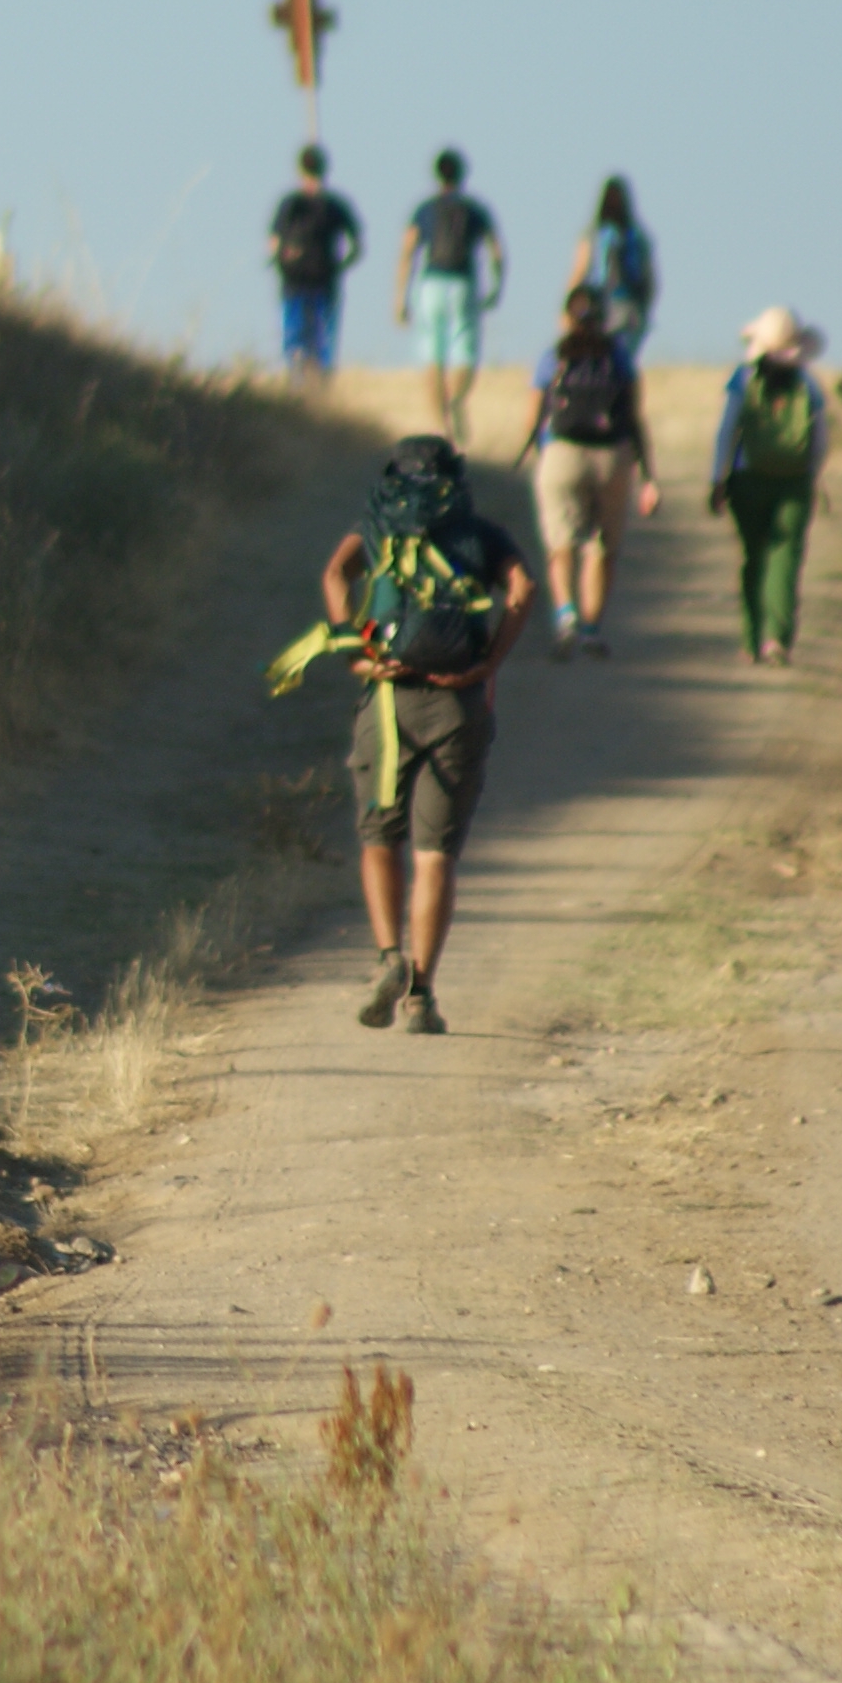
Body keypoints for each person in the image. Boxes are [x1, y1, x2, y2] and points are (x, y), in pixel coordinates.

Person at [320, 435, 540, 1038]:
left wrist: (354, 650)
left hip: (386, 701)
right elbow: (523, 590)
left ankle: (388, 955)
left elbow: (337, 572)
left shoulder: (376, 526)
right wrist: (488, 662)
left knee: (378, 837)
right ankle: (420, 995)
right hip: (457, 703)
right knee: (435, 853)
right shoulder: (482, 535)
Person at [522, 288, 660, 659]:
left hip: (562, 453)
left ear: (567, 317)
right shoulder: (619, 358)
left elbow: (535, 414)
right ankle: (591, 628)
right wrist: (647, 474)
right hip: (611, 457)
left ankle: (565, 614)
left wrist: (537, 452)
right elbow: (633, 416)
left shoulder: (555, 356)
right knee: (602, 546)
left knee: (560, 543)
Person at [707, 306, 828, 665]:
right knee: (786, 560)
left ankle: (751, 638)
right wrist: (813, 476)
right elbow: (820, 439)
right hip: (793, 483)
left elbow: (727, 430)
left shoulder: (743, 380)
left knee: (753, 558)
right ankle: (778, 639)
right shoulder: (807, 383)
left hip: (748, 479)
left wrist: (717, 478)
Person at [392, 148, 503, 442]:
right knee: (464, 348)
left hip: (431, 283)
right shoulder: (476, 210)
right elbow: (497, 252)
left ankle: (440, 425)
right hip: (464, 282)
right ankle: (456, 401)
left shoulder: (424, 210)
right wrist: (496, 286)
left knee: (433, 353)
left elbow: (407, 253)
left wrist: (400, 297)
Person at [266, 144, 367, 382]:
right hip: (325, 279)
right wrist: (342, 266)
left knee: (295, 337)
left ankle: (297, 381)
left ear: (300, 169)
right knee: (323, 341)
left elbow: (273, 242)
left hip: (294, 281)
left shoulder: (289, 204)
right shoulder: (335, 205)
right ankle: (319, 385)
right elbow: (357, 246)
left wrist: (279, 262)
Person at [564, 176, 659, 361]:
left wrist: (568, 309)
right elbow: (650, 279)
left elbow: (579, 271)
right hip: (630, 310)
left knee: (597, 362)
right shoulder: (637, 236)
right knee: (623, 363)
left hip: (596, 308)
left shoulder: (593, 234)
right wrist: (645, 308)